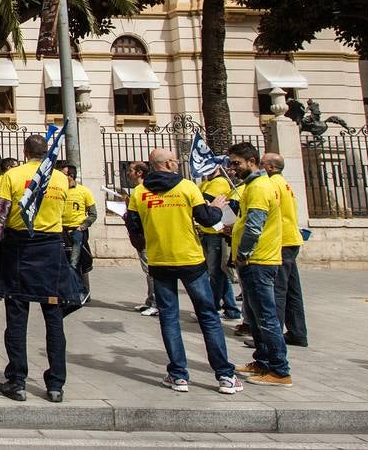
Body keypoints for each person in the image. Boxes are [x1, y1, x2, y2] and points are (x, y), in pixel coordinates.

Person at [124, 148, 242, 395]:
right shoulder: (187, 187)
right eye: (174, 161)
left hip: (159, 260)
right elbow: (207, 219)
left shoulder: (139, 192)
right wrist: (218, 207)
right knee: (208, 316)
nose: (177, 164)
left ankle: (178, 375)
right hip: (190, 260)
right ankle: (225, 375)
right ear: (167, 164)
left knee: (169, 318)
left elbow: (134, 227)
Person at [0, 133, 81, 404]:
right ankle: (56, 385)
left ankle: (17, 381)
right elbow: (65, 216)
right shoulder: (61, 179)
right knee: (54, 319)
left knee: (17, 317)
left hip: (19, 247)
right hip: (51, 248)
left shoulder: (12, 176)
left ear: (25, 151)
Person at [227, 142, 291, 386]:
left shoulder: (259, 188)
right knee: (255, 317)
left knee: (266, 318)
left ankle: (279, 370)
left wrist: (242, 253)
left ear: (252, 162)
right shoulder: (256, 185)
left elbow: (255, 225)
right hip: (255, 259)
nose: (233, 169)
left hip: (258, 260)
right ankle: (263, 361)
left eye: (236, 164)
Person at [263, 153, 308, 347]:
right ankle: (297, 332)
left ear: (271, 167)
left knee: (278, 289)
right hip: (291, 239)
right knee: (292, 290)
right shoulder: (284, 183)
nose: (259, 167)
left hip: (280, 241)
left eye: (262, 164)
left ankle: (274, 336)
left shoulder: (272, 184)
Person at [197, 163, 242, 322]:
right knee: (217, 273)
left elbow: (204, 201)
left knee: (216, 272)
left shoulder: (220, 182)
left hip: (216, 233)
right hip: (206, 232)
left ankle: (213, 307)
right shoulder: (204, 183)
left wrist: (203, 203)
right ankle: (230, 308)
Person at [124, 160, 157, 316]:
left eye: (130, 170)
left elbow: (138, 217)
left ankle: (156, 303)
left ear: (139, 173)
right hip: (140, 236)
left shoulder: (144, 190)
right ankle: (150, 300)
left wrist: (127, 213)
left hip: (145, 236)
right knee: (147, 270)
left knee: (151, 271)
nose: (128, 173)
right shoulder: (138, 190)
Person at [60, 163, 97, 296]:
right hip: (62, 231)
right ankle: (70, 290)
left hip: (77, 231)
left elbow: (93, 214)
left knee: (75, 261)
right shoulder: (60, 191)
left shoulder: (84, 191)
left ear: (71, 176)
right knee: (64, 261)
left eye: (63, 175)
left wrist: (82, 227)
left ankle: (82, 291)